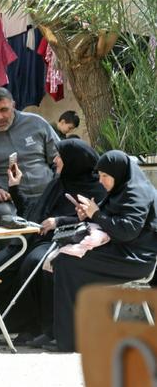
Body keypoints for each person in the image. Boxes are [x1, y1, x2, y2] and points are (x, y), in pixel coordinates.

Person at [0, 139, 107, 347]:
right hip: (37, 238)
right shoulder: (59, 183)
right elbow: (34, 211)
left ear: (73, 161)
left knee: (35, 262)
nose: (55, 160)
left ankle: (41, 328)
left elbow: (95, 218)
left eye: (60, 156)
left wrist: (59, 221)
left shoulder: (96, 188)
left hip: (66, 241)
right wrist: (15, 188)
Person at [52, 150, 157, 352]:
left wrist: (96, 214)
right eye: (99, 175)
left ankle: (72, 339)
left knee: (67, 262)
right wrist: (87, 214)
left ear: (119, 173)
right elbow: (108, 218)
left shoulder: (137, 193)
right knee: (62, 258)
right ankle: (63, 334)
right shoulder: (121, 190)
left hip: (136, 259)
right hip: (121, 252)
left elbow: (127, 231)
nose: (101, 181)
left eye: (105, 176)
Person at [0, 87, 59, 224]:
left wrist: (58, 183)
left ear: (13, 105)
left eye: (4, 110)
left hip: (47, 193)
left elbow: (59, 158)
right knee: (4, 216)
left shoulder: (36, 123)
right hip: (8, 201)